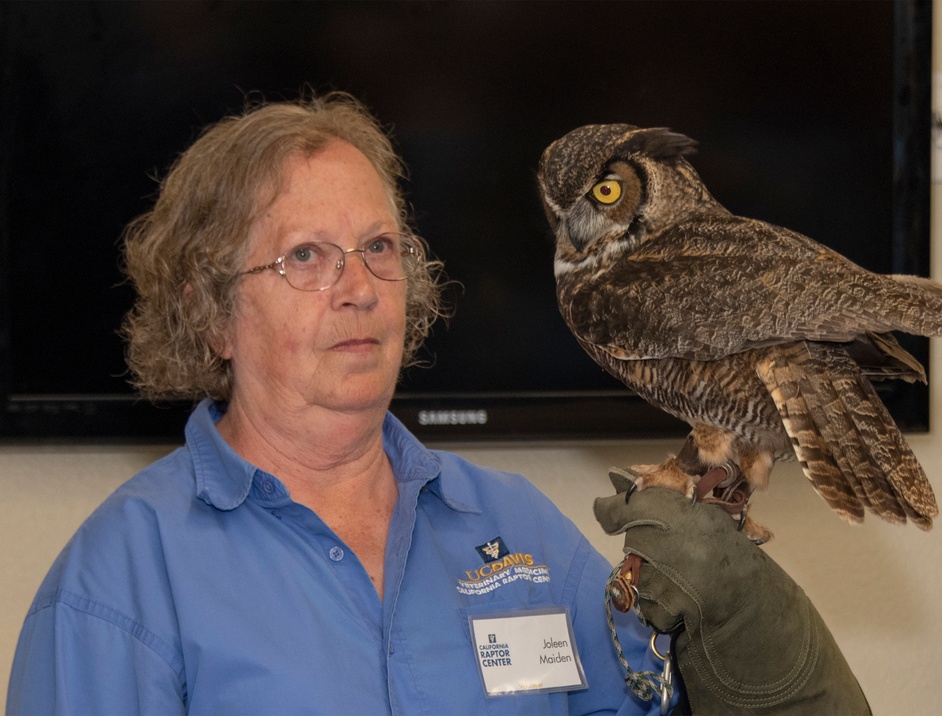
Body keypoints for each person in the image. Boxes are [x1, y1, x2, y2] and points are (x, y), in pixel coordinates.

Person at [5, 92, 662, 714]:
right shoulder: (120, 577)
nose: (359, 288)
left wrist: (731, 643)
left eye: (378, 248)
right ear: (211, 314)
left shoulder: (520, 528)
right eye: (306, 256)